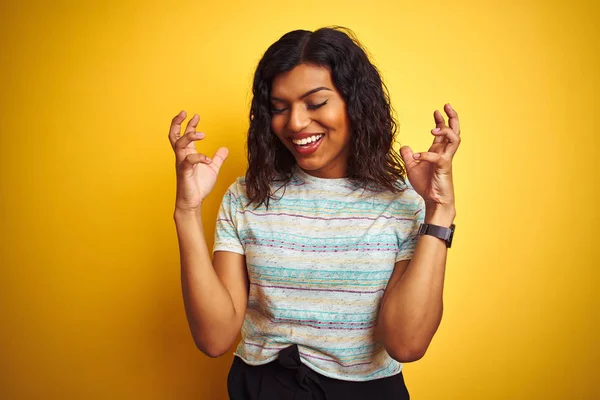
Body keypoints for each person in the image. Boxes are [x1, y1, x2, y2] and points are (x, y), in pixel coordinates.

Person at [168, 26, 460, 400]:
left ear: (355, 103)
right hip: (262, 389)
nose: (295, 123)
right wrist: (187, 211)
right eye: (279, 107)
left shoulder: (403, 202)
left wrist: (439, 210)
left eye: (316, 103)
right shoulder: (245, 196)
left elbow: (407, 344)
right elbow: (214, 337)